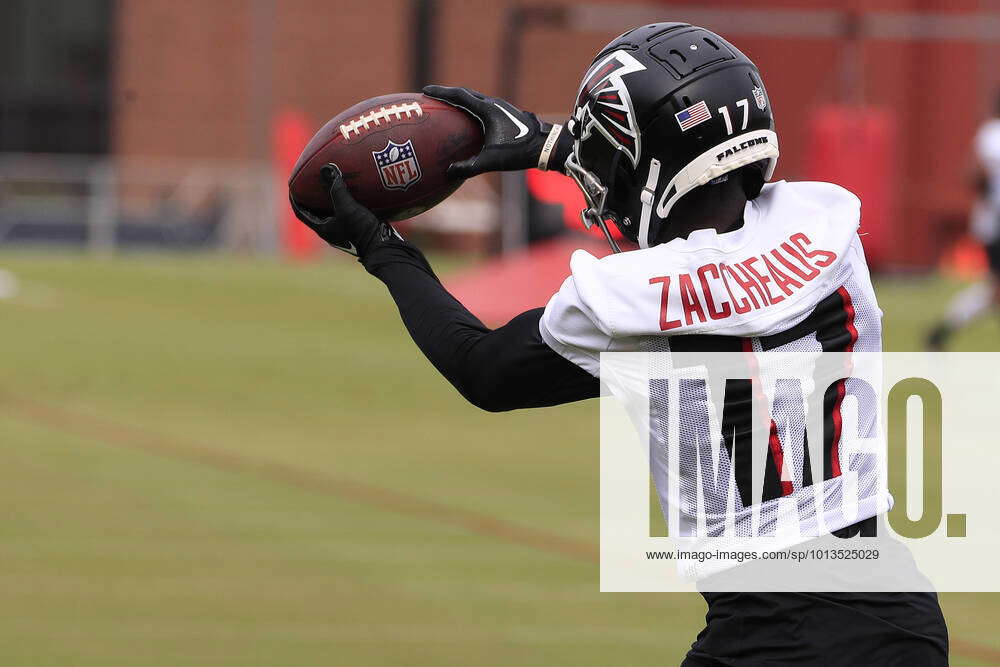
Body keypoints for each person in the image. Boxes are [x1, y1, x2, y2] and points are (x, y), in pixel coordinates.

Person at [291, 22, 948, 666]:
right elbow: (710, 209)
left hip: (774, 629)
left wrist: (382, 248)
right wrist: (548, 144)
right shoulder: (828, 224)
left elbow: (482, 368)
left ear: (653, 169)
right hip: (900, 610)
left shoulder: (635, 298)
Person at [926, 91, 1000, 350]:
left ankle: (942, 330)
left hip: (991, 222)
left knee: (995, 292)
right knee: (995, 290)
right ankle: (942, 330)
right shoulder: (992, 134)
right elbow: (976, 174)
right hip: (996, 223)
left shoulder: (988, 134)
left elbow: (972, 173)